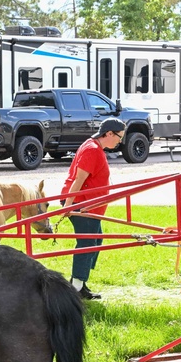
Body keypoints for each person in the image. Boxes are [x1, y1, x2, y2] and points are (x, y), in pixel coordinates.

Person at [60, 118, 126, 300]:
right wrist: (68, 206)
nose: (120, 141)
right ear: (109, 133)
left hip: (90, 206)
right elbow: (78, 180)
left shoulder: (94, 147)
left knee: (95, 241)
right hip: (82, 205)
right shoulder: (92, 150)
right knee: (87, 244)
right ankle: (75, 289)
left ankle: (79, 283)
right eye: (119, 137)